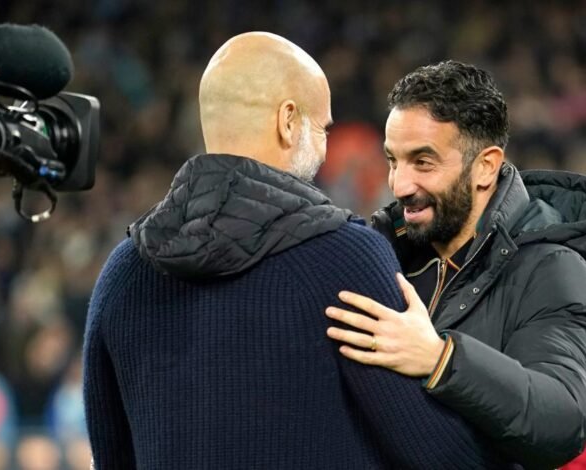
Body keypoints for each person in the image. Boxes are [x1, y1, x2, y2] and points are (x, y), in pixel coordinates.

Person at [83, 33, 513, 470]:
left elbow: (110, 454)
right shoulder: (347, 258)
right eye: (323, 128)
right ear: (288, 121)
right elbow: (433, 451)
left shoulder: (121, 272)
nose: (326, 148)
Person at [325, 60, 586, 469]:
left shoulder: (552, 269)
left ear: (485, 166)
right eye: (392, 160)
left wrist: (442, 359)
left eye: (423, 162)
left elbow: (564, 419)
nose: (399, 185)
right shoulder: (381, 256)